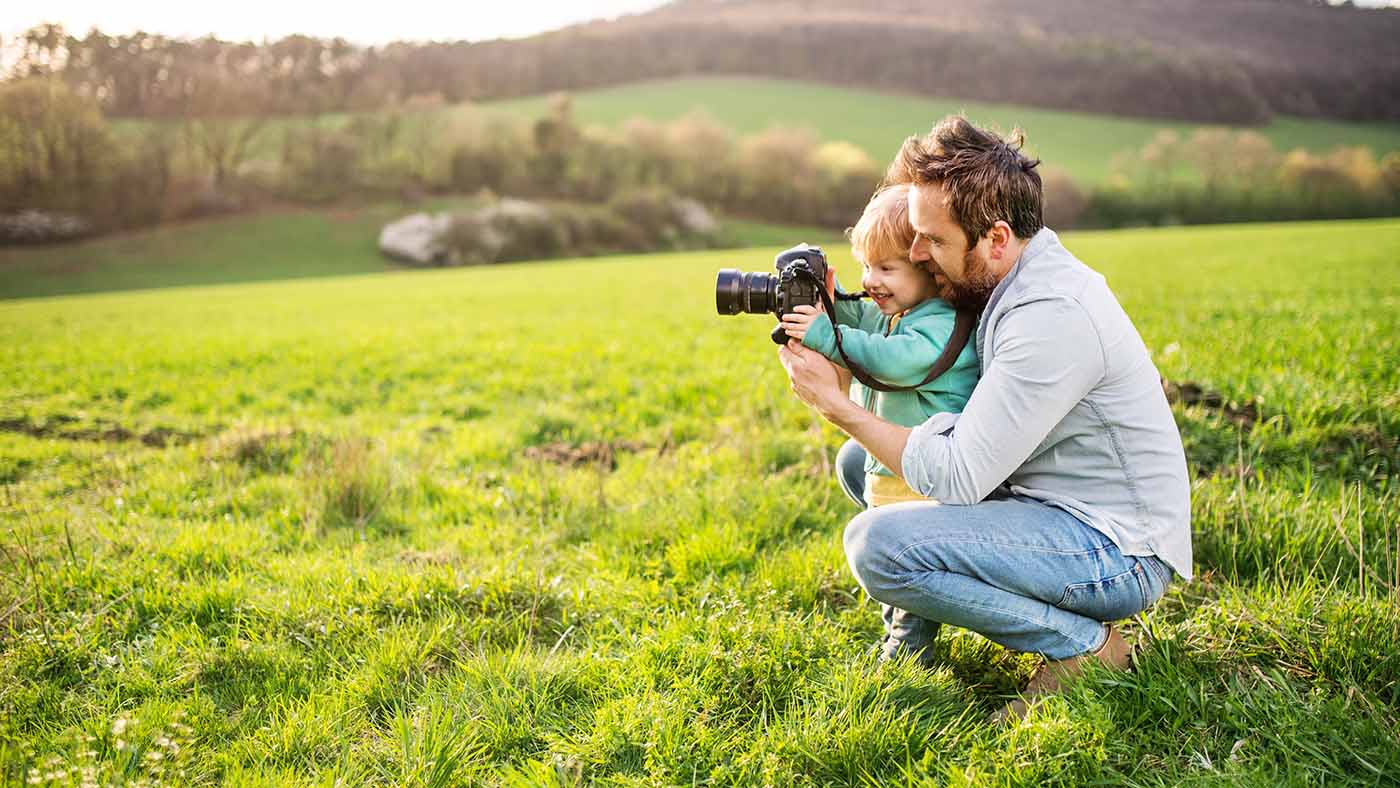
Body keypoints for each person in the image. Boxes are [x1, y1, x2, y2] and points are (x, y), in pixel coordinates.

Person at [776, 116, 1192, 723]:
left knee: (878, 547)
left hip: (1114, 548)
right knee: (859, 465)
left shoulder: (1048, 316)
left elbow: (961, 474)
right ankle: (922, 632)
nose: (917, 254)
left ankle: (1085, 649)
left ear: (995, 239)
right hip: (1050, 502)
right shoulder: (1008, 279)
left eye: (932, 241)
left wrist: (837, 407)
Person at [779, 184, 980, 509]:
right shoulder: (896, 312)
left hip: (927, 487)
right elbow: (858, 316)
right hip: (891, 475)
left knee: (886, 547)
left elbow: (893, 360)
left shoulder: (943, 324)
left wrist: (827, 336)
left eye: (886, 268)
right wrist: (820, 287)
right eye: (866, 266)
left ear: (929, 267)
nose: (870, 281)